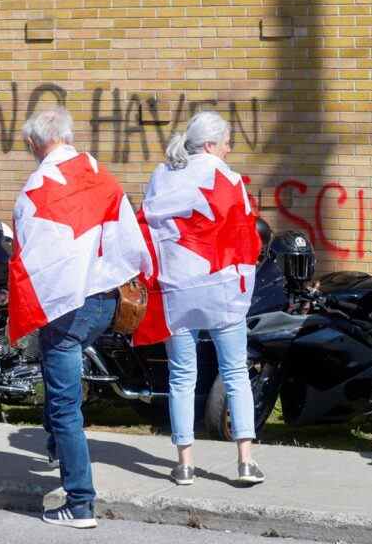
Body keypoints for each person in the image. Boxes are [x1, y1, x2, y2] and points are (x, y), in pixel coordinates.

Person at [8, 107, 151, 527]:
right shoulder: (102, 175)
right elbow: (126, 235)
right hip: (106, 301)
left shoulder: (37, 189)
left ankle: (80, 502)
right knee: (60, 385)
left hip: (68, 307)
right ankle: (55, 445)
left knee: (65, 403)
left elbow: (32, 257)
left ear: (35, 143)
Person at [134, 111, 265, 486]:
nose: (229, 149)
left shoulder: (163, 175)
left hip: (175, 291)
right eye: (226, 142)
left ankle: (185, 463)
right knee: (236, 372)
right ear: (210, 144)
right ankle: (244, 461)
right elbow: (245, 234)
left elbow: (148, 227)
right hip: (222, 288)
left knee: (181, 377)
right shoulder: (228, 177)